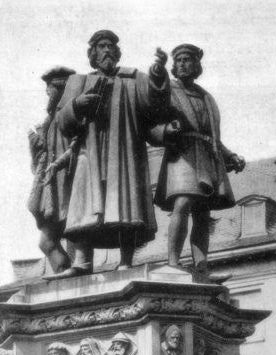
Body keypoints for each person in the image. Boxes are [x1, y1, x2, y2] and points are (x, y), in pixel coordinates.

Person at [55, 30, 170, 275]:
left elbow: (154, 105)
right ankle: (82, 262)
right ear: (93, 54)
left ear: (117, 53)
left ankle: (126, 261)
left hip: (124, 152)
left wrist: (158, 74)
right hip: (90, 150)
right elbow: (62, 123)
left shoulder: (133, 78)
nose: (107, 50)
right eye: (102, 46)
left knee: (125, 205)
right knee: (84, 204)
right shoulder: (78, 81)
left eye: (111, 46)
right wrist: (76, 105)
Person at [151, 44, 244, 278]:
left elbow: (213, 137)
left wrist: (230, 155)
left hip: (206, 155)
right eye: (179, 60)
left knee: (203, 213)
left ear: (196, 65)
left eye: (187, 60)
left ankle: (201, 266)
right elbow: (155, 95)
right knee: (182, 203)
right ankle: (173, 261)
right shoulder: (169, 90)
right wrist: (158, 68)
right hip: (181, 152)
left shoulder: (206, 97)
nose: (182, 63)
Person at [27, 65, 76, 274]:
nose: (47, 92)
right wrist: (36, 149)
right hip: (50, 186)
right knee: (46, 243)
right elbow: (38, 164)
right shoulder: (47, 121)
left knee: (74, 233)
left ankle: (75, 272)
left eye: (50, 87)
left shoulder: (72, 114)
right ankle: (65, 274)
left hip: (70, 182)